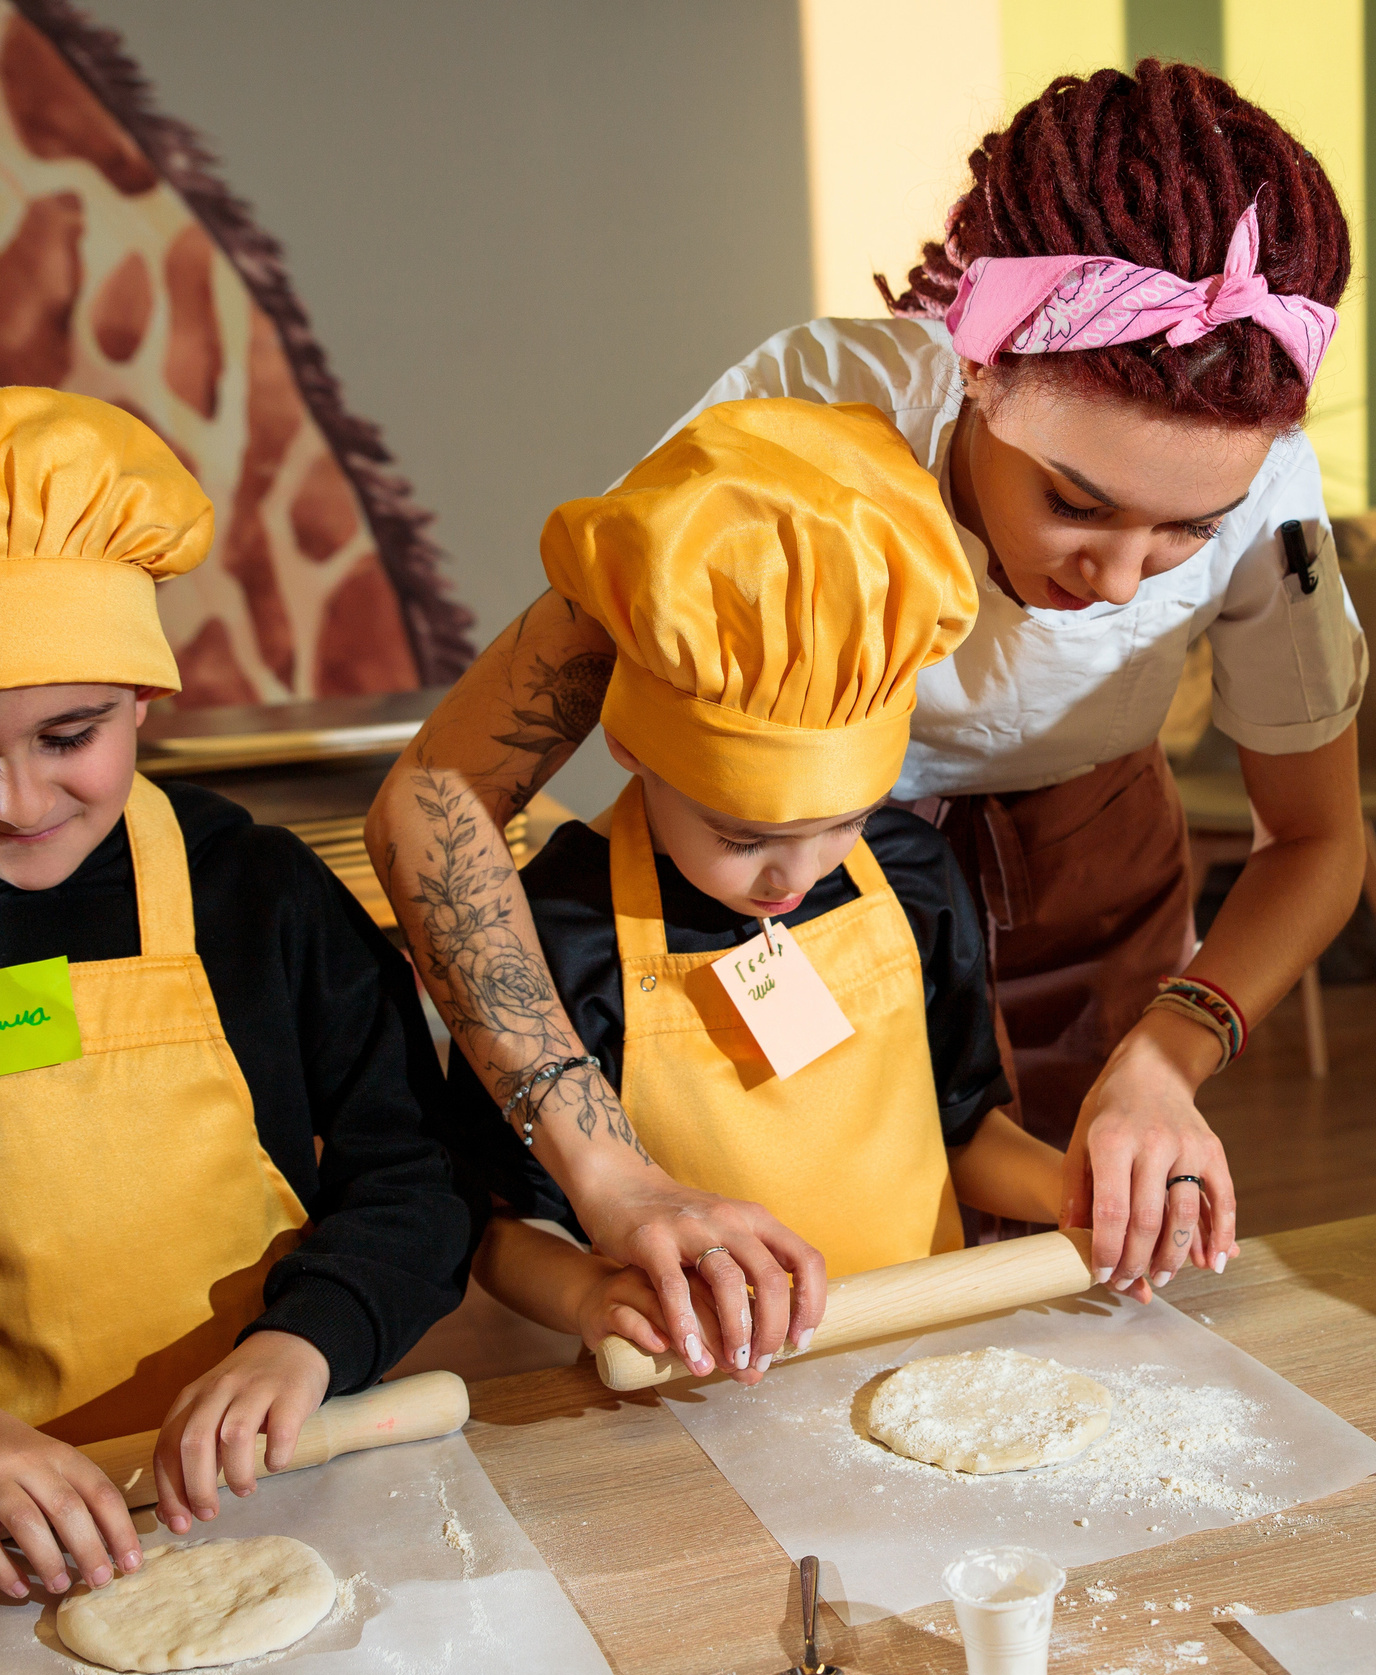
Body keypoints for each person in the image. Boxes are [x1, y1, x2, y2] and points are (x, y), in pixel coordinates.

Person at [366, 60, 1369, 1377]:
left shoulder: (1270, 478)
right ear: (977, 359)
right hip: (802, 858)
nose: (1119, 577)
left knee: (1080, 1328)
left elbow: (1316, 838)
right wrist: (605, 1171)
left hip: (1096, 866)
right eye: (1073, 499)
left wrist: (1170, 1052)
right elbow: (434, 799)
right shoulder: (796, 426)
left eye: (1187, 528)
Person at [0, 389, 478, 1601]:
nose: (22, 801)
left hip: (294, 1470)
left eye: (70, 734)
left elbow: (418, 1174)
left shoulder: (258, 896)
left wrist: (307, 1341)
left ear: (145, 697)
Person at [450, 397, 1065, 1377]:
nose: (797, 873)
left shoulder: (907, 873)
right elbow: (500, 1226)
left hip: (934, 1361)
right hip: (697, 1387)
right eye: (743, 836)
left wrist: (1074, 1194)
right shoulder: (555, 931)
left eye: (842, 820)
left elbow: (966, 1129)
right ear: (629, 747)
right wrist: (589, 1294)